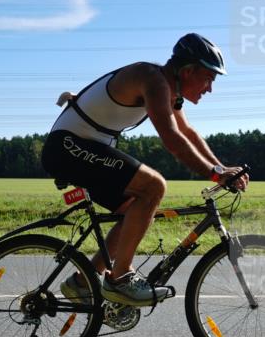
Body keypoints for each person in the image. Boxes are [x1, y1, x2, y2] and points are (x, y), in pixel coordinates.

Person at [41, 33, 249, 307]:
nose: (210, 88)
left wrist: (220, 168)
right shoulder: (152, 80)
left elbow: (187, 132)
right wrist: (213, 174)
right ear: (187, 71)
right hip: (68, 147)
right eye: (209, 78)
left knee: (134, 211)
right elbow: (173, 139)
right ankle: (120, 280)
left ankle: (83, 281)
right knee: (154, 187)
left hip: (84, 146)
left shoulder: (168, 89)